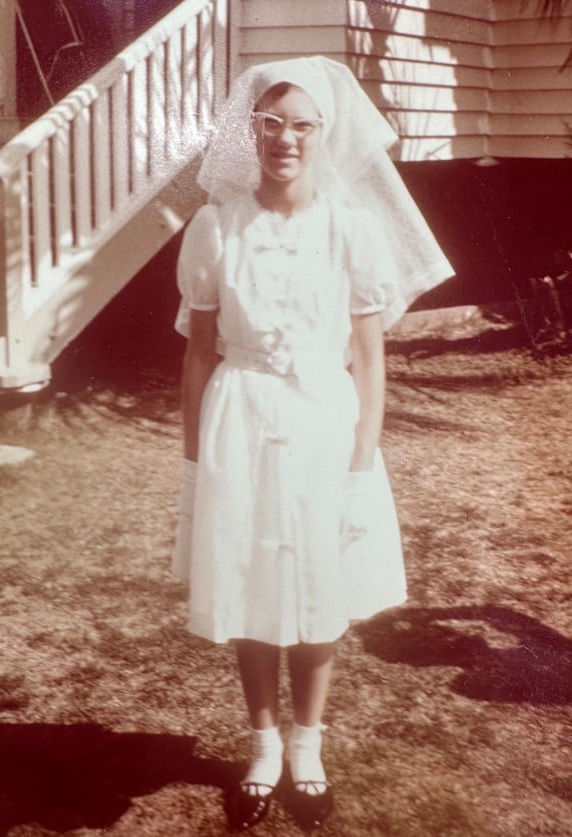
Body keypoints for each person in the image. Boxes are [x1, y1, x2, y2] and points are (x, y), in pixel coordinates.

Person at [172, 56, 452, 830]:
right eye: (270, 123)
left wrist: (362, 461)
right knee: (250, 582)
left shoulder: (350, 228)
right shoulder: (216, 226)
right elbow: (199, 351)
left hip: (326, 422)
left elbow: (367, 359)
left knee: (319, 586)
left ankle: (307, 744)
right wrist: (196, 458)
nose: (284, 139)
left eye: (301, 125)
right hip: (241, 418)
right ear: (250, 130)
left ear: (323, 135)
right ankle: (262, 743)